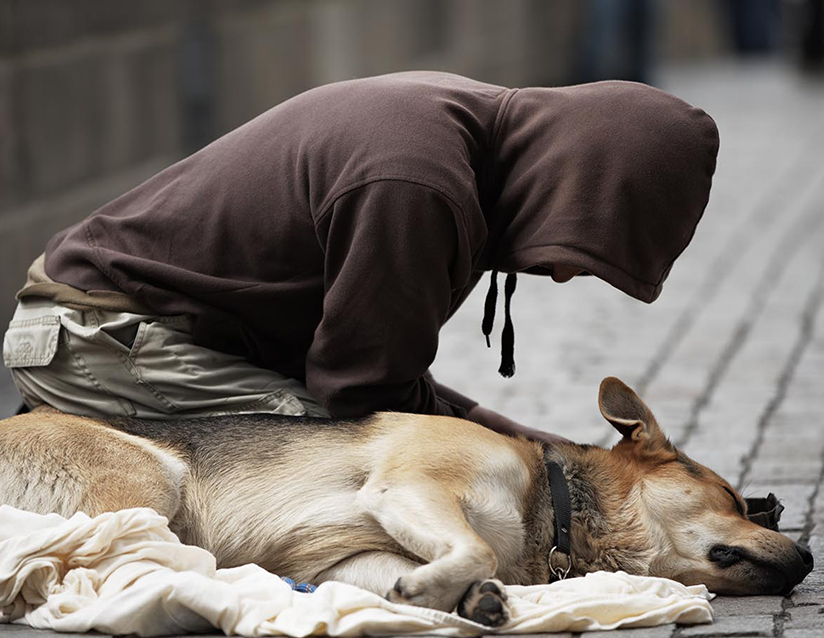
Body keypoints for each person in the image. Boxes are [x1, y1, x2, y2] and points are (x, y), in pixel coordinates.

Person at [2, 72, 719, 445]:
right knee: (350, 467)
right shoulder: (419, 182)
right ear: (575, 181)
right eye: (582, 249)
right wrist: (549, 467)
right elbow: (365, 402)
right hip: (93, 339)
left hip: (150, 335)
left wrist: (541, 442)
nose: (563, 273)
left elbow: (385, 378)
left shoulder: (468, 132)